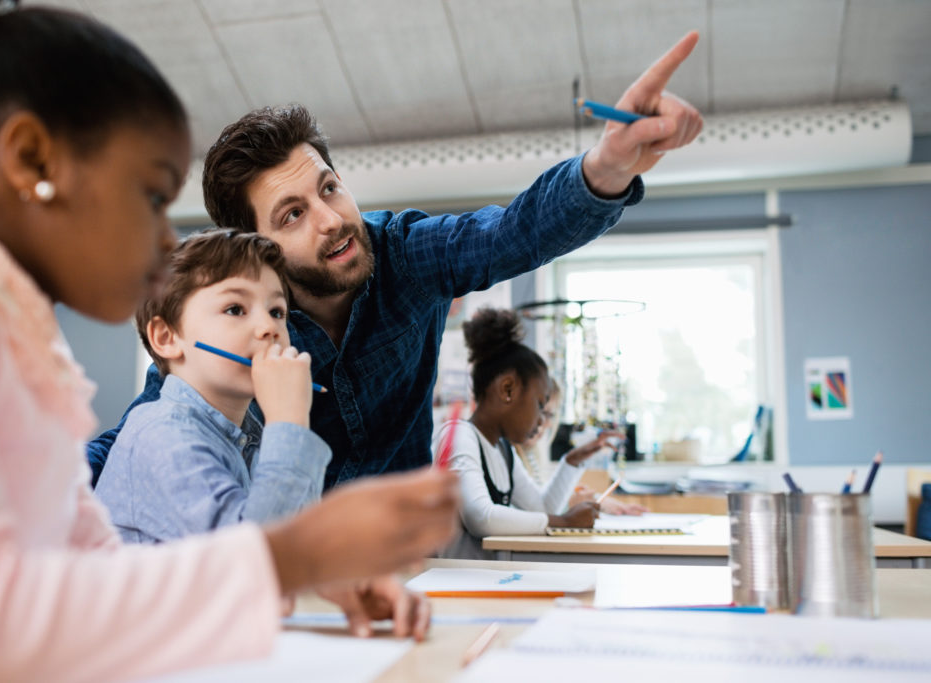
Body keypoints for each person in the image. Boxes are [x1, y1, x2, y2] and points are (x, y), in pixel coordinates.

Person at [0, 3, 458, 681]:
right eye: (151, 194)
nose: (168, 241)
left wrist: (311, 579)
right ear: (30, 160)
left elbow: (98, 570)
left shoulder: (15, 333)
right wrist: (289, 559)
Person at [86, 32, 704, 490]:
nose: (330, 218)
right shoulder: (236, 322)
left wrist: (607, 168)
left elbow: (516, 231)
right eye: (292, 214)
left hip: (407, 555)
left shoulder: (408, 253)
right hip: (302, 563)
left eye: (328, 188)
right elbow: (150, 423)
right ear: (257, 246)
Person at [95, 229, 331, 542]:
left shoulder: (252, 434)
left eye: (277, 312)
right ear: (167, 338)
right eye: (235, 309)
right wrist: (289, 421)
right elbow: (256, 560)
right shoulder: (162, 436)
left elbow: (298, 544)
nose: (268, 328)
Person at [433, 308, 623, 560]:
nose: (541, 420)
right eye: (539, 404)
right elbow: (481, 517)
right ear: (508, 389)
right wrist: (563, 522)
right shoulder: (459, 436)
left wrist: (573, 460)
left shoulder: (503, 451)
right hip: (451, 587)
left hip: (485, 581)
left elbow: (542, 508)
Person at [515, 378, 646, 515]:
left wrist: (598, 501)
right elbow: (534, 513)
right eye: (543, 412)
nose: (546, 424)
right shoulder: (507, 456)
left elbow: (538, 502)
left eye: (550, 415)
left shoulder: (529, 455)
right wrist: (572, 505)